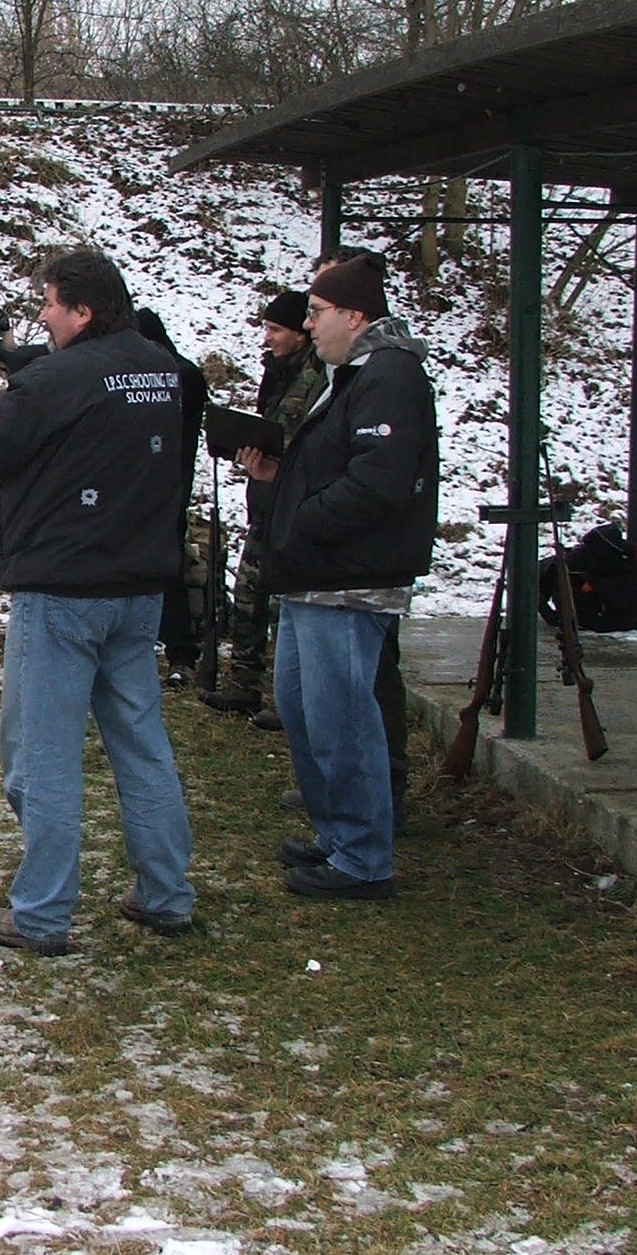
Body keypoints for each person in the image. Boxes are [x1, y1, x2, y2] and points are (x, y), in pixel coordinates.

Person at [0, 249, 197, 954]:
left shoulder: (61, 377)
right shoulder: (159, 366)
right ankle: (166, 894)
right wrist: (18, 364)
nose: (42, 314)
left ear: (83, 312)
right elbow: (86, 410)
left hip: (63, 591)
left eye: (51, 304)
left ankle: (41, 914)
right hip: (138, 587)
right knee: (142, 746)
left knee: (42, 758)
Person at [238, 254, 438, 901]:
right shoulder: (352, 375)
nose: (309, 325)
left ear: (354, 317)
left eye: (317, 313)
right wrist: (282, 479)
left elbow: (378, 480)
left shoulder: (390, 375)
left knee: (343, 721)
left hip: (348, 580)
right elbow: (339, 462)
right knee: (306, 711)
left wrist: (304, 518)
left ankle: (363, 858)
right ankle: (337, 834)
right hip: (315, 577)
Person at [199, 289, 324, 717]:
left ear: (301, 333)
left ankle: (283, 694)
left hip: (294, 502)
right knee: (249, 591)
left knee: (278, 602)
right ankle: (244, 682)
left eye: (275, 329)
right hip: (267, 497)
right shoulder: (279, 372)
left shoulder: (317, 377)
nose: (267, 338)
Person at [135, 306, 210, 688]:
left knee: (168, 568)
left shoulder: (181, 376)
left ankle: (181, 652)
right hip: (142, 486)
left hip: (166, 486)